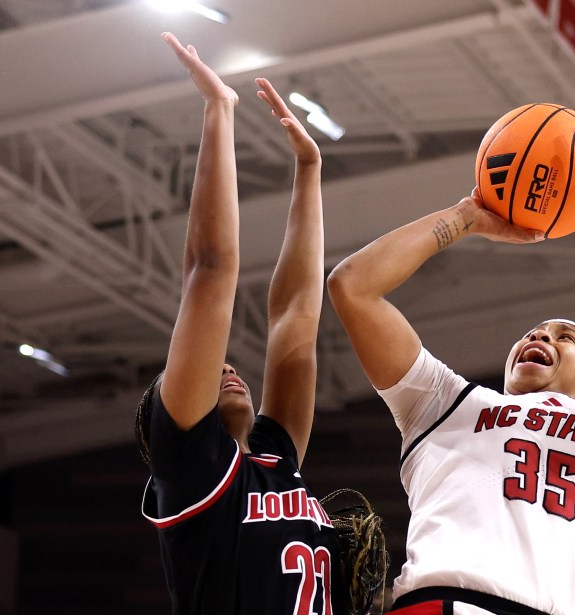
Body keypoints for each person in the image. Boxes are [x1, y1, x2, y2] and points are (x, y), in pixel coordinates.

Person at [327, 87, 575, 615]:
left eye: (565, 336)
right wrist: (465, 218)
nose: (541, 337)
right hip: (434, 605)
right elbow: (352, 286)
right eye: (535, 332)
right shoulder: (445, 403)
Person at [136, 33, 384, 615]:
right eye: (203, 373)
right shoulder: (192, 466)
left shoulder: (274, 457)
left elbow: (296, 315)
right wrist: (218, 110)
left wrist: (309, 171)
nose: (225, 367)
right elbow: (210, 269)